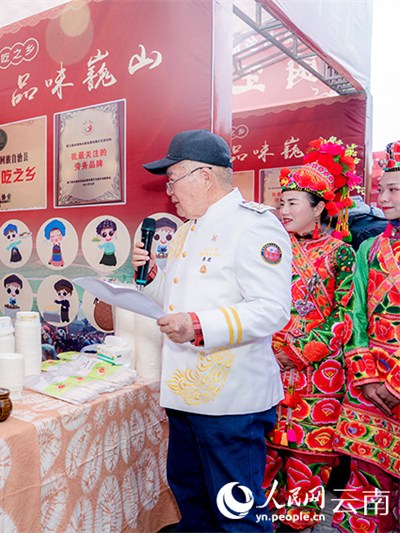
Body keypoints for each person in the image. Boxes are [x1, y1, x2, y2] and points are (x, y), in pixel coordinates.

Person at [131, 129, 291, 531]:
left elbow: (271, 309)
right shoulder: (189, 229)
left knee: (236, 512)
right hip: (186, 394)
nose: (169, 191)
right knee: (192, 495)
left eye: (174, 179)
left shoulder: (252, 225)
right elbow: (175, 299)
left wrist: (199, 325)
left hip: (231, 401)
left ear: (205, 176)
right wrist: (151, 278)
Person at [263, 144, 357, 529]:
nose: (284, 211)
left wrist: (298, 352)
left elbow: (346, 315)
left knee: (309, 463)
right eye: (281, 202)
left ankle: (296, 525)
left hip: (318, 373)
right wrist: (270, 350)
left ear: (319, 207)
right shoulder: (268, 250)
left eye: (293, 203)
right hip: (267, 364)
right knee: (263, 457)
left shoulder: (341, 254)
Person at [332, 139, 400, 533]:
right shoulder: (370, 248)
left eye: (394, 189)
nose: (383, 196)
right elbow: (354, 311)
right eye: (381, 188)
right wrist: (368, 374)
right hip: (370, 382)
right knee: (368, 482)